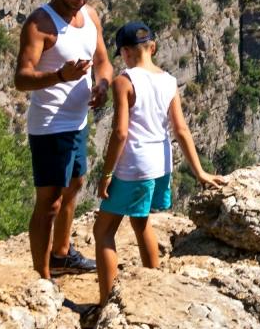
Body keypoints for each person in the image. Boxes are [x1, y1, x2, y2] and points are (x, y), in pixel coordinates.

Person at [93, 21, 221, 305]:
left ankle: (105, 304)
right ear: (153, 47)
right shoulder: (169, 80)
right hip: (161, 164)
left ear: (125, 52)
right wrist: (199, 171)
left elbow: (120, 132)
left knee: (103, 231)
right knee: (140, 222)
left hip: (133, 165)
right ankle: (155, 286)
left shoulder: (124, 81)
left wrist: (106, 173)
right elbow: (181, 130)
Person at [13, 0, 113, 279]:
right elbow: (21, 79)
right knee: (50, 202)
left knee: (75, 185)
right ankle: (41, 278)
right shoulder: (40, 24)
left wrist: (102, 85)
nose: (81, 0)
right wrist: (59, 76)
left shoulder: (90, 17)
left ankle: (61, 254)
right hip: (50, 127)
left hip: (78, 123)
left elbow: (103, 62)